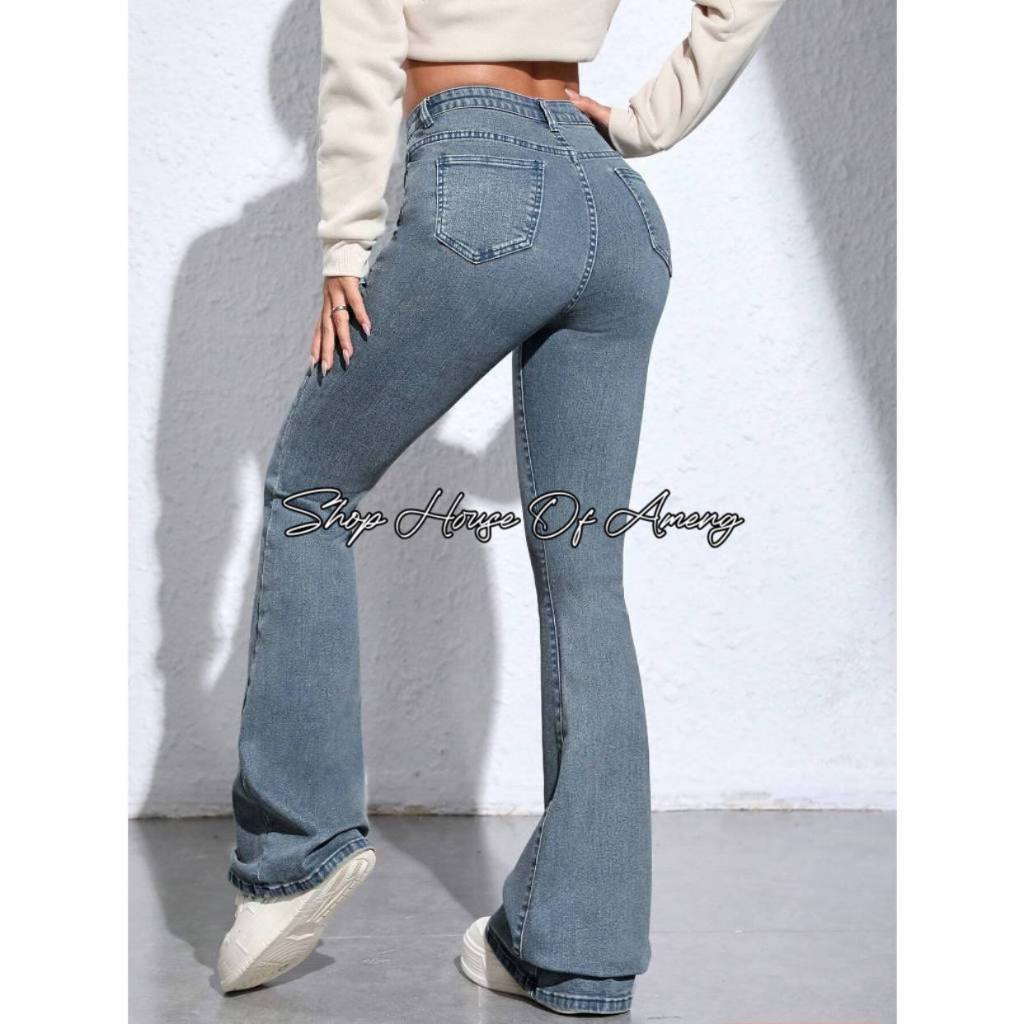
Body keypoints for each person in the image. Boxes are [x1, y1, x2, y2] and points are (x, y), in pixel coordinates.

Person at [217, 0, 787, 1014]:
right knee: (587, 578)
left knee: (310, 490)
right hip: (613, 202)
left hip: (478, 178)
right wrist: (644, 124)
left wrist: (345, 245)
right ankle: (576, 952)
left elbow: (361, 55)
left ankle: (296, 856)